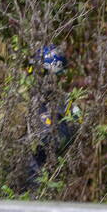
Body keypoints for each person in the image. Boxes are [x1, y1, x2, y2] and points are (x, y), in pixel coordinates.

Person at [25, 45, 79, 188]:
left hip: (50, 175)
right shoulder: (34, 99)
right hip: (36, 175)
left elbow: (70, 134)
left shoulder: (65, 102)